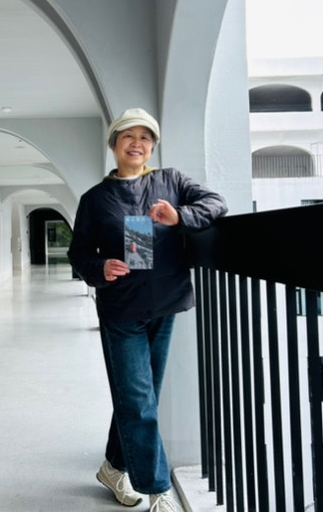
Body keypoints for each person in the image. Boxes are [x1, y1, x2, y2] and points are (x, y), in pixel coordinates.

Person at [67, 108, 227, 512]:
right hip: (121, 310)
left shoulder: (170, 181)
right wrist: (100, 267)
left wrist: (180, 216)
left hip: (165, 304)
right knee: (138, 400)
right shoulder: (95, 199)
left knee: (139, 397)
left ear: (152, 147)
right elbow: (79, 254)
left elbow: (216, 204)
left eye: (145, 137)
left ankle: (113, 467)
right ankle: (158, 490)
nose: (137, 143)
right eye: (128, 136)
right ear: (114, 144)